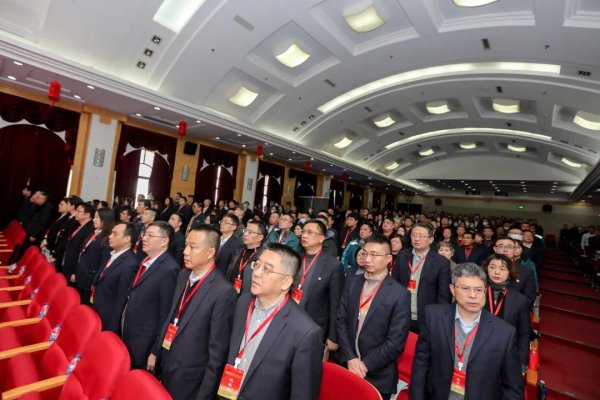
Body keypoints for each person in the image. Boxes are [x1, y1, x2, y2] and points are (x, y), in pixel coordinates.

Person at [218, 243, 323, 400]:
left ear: (286, 282)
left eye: (267, 269)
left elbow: (302, 394)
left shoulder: (305, 332)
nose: (256, 273)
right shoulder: (243, 303)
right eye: (257, 264)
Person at [410, 262, 524, 400]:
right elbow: (421, 364)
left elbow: (513, 387)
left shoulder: (504, 332)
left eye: (478, 290)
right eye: (465, 288)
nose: (473, 295)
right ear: (452, 289)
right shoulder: (434, 317)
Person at [151, 225, 237, 400]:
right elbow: (171, 317)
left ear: (210, 252)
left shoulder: (223, 291)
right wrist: (156, 352)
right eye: (186, 245)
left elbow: (217, 353)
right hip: (166, 363)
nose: (185, 252)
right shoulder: (183, 275)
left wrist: (205, 395)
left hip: (190, 379)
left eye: (193, 247)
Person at [336, 234, 411, 400]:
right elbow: (341, 320)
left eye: (374, 255)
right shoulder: (353, 282)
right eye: (365, 253)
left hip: (378, 373)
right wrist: (351, 358)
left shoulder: (399, 294)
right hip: (347, 364)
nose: (367, 259)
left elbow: (395, 342)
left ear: (388, 258)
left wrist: (365, 365)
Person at [121, 221, 179, 369]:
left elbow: (166, 314)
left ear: (164, 241)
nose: (144, 238)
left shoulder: (169, 269)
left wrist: (155, 351)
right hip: (130, 330)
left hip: (144, 341)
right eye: (144, 234)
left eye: (150, 235)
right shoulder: (146, 260)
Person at [294, 219, 344, 351]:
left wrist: (333, 336)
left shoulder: (333, 265)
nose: (304, 236)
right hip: (291, 318)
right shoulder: (295, 259)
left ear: (321, 238)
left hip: (314, 324)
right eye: (303, 232)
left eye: (310, 233)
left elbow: (336, 304)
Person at [392, 222, 452, 332]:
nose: (416, 239)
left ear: (431, 239)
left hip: (426, 317)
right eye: (414, 235)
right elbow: (394, 284)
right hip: (401, 314)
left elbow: (444, 296)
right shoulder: (402, 256)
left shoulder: (441, 262)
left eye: (421, 236)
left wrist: (438, 318)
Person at [483, 254, 530, 370]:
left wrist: (522, 362)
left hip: (504, 351)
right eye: (492, 267)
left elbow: (524, 333)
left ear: (509, 273)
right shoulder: (477, 291)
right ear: (486, 269)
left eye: (502, 269)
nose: (496, 272)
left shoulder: (519, 300)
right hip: (476, 347)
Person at [91, 222, 138, 333]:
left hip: (107, 319)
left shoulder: (130, 264)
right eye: (111, 233)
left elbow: (121, 299)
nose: (110, 236)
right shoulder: (113, 254)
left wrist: (112, 327)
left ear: (127, 239)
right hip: (97, 309)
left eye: (115, 234)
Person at [75, 208, 113, 304]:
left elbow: (103, 263)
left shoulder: (107, 238)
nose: (93, 219)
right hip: (82, 276)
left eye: (97, 217)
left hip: (90, 280)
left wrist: (95, 281)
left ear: (105, 219)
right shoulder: (95, 232)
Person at [493, 237, 536, 309]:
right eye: (501, 246)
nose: (505, 250)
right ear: (495, 249)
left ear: (514, 250)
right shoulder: (483, 268)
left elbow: (529, 300)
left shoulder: (526, 272)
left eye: (509, 247)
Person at [225, 221, 265, 295]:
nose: (245, 234)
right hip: (230, 292)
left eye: (250, 232)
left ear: (260, 237)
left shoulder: (263, 257)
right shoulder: (238, 251)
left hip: (247, 296)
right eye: (245, 230)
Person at [62, 203, 95, 285]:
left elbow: (82, 253)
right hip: (68, 264)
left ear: (87, 215)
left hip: (74, 269)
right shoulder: (79, 226)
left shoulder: (90, 229)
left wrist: (75, 271)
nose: (75, 213)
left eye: (78, 211)